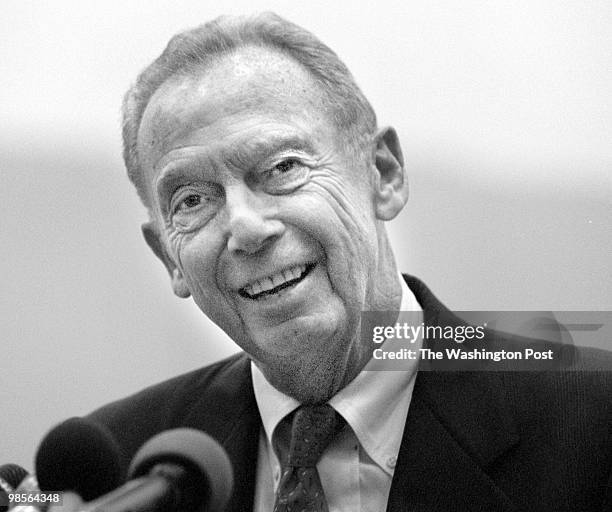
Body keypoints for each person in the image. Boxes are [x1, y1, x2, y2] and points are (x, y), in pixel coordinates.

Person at [83, 12, 611, 511]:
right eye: (192, 200)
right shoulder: (120, 471)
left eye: (282, 166)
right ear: (167, 257)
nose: (243, 228)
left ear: (383, 174)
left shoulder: (592, 423)